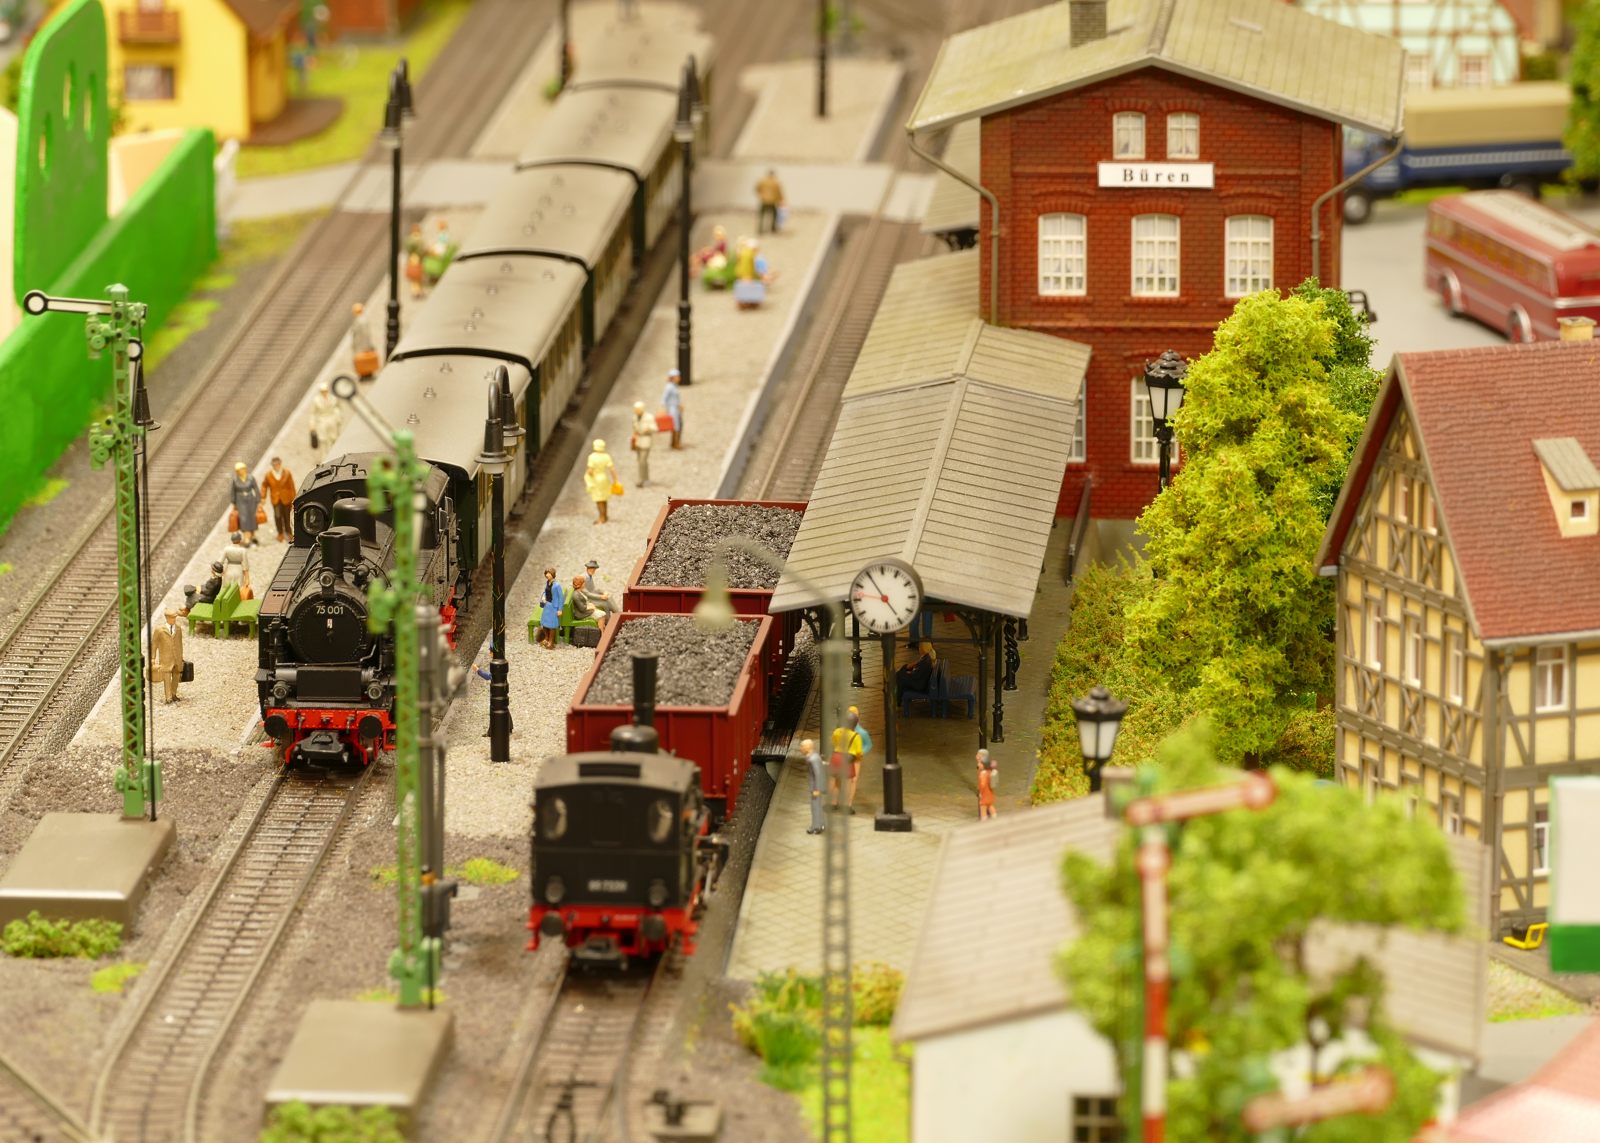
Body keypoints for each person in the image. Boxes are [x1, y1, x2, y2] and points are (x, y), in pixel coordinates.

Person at [150, 608, 185, 704]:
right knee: (167, 677)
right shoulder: (159, 630)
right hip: (166, 658)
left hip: (177, 657)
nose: (174, 619)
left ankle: (173, 694)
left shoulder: (178, 628)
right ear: (167, 618)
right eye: (172, 618)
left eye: (175, 617)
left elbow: (180, 643)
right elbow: (154, 645)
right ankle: (168, 697)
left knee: (176, 676)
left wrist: (181, 656)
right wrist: (153, 658)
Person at [831, 717, 864, 815]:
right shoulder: (856, 736)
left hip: (836, 757)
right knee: (849, 783)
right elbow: (859, 753)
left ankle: (833, 803)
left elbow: (833, 742)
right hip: (848, 760)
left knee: (837, 782)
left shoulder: (837, 732)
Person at [583, 439, 619, 524]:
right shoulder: (606, 456)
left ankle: (601, 517)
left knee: (598, 499)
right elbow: (612, 469)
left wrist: (587, 476)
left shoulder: (592, 457)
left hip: (596, 479)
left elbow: (590, 471)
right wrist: (615, 480)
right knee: (604, 498)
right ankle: (605, 515)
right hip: (604, 478)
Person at [261, 456, 296, 543]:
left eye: (277, 464)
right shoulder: (268, 475)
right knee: (278, 516)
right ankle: (280, 533)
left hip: (286, 498)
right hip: (275, 499)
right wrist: (263, 497)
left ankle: (289, 532)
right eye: (274, 465)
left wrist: (294, 499)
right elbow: (264, 486)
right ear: (272, 465)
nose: (276, 466)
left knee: (287, 516)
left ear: (280, 464)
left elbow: (291, 486)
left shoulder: (287, 473)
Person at [844, 707, 871, 811]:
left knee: (853, 780)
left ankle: (849, 803)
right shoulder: (843, 730)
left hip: (855, 759)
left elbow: (868, 745)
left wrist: (860, 752)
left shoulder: (862, 732)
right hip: (846, 757)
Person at [231, 461, 262, 547]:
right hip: (240, 500)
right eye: (239, 470)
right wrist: (234, 502)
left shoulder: (251, 478)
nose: (241, 471)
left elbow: (256, 489)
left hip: (251, 499)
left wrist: (258, 500)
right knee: (243, 518)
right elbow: (233, 491)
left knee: (252, 517)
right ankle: (246, 536)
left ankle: (253, 535)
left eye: (242, 469)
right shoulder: (235, 480)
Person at [309, 381, 343, 454]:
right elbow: (313, 413)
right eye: (322, 391)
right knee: (323, 440)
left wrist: (338, 418)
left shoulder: (333, 398)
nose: (324, 393)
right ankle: (324, 456)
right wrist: (312, 425)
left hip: (332, 419)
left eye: (325, 391)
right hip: (322, 420)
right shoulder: (316, 400)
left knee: (334, 438)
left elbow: (338, 407)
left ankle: (337, 453)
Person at [802, 738, 826, 835]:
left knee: (815, 807)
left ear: (808, 747)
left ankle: (816, 827)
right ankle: (821, 824)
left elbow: (818, 774)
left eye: (802, 746)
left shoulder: (813, 759)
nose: (801, 748)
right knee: (818, 806)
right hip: (815, 787)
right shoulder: (814, 756)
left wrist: (817, 789)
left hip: (815, 788)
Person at [536, 567, 564, 649]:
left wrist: (560, 609)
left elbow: (561, 597)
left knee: (552, 625)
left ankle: (551, 642)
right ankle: (546, 638)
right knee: (545, 623)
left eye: (549, 573)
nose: (547, 575)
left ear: (553, 574)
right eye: (546, 573)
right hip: (547, 605)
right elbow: (546, 591)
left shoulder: (557, 585)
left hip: (553, 606)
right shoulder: (547, 582)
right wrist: (543, 598)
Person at [350, 302, 379, 381]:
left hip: (362, 345)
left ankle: (367, 374)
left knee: (364, 359)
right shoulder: (359, 320)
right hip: (360, 344)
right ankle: (364, 374)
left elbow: (365, 335)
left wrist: (367, 346)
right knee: (361, 360)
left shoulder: (362, 321)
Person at [630, 400, 655, 487]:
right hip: (638, 441)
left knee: (642, 461)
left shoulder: (649, 417)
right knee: (640, 461)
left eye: (637, 409)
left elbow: (655, 428)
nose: (635, 411)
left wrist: (648, 429)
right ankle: (644, 478)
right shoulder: (635, 417)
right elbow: (634, 428)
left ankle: (643, 479)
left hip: (645, 441)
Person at [755, 169, 785, 234]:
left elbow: (757, 188)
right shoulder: (775, 182)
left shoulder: (762, 181)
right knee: (774, 215)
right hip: (772, 201)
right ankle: (772, 228)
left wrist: (760, 195)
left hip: (764, 200)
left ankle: (760, 229)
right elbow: (779, 192)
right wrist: (781, 199)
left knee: (762, 215)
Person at [222, 531, 251, 597]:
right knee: (238, 589)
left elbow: (220, 561)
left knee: (227, 589)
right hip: (239, 571)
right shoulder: (243, 550)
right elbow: (245, 565)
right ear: (240, 540)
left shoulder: (226, 549)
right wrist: (247, 578)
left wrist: (220, 572)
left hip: (229, 570)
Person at [661, 369, 683, 449]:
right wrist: (664, 409)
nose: (679, 378)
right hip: (672, 409)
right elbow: (664, 399)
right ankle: (675, 443)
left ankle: (674, 442)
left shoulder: (674, 386)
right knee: (675, 425)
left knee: (677, 425)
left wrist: (679, 405)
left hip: (676, 408)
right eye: (677, 376)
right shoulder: (669, 387)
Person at [976, 749, 998, 820]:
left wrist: (980, 792)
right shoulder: (989, 772)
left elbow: (982, 784)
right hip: (990, 792)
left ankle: (984, 819)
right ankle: (995, 818)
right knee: (990, 805)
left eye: (980, 764)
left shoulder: (983, 774)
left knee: (983, 806)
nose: (978, 765)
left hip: (985, 793)